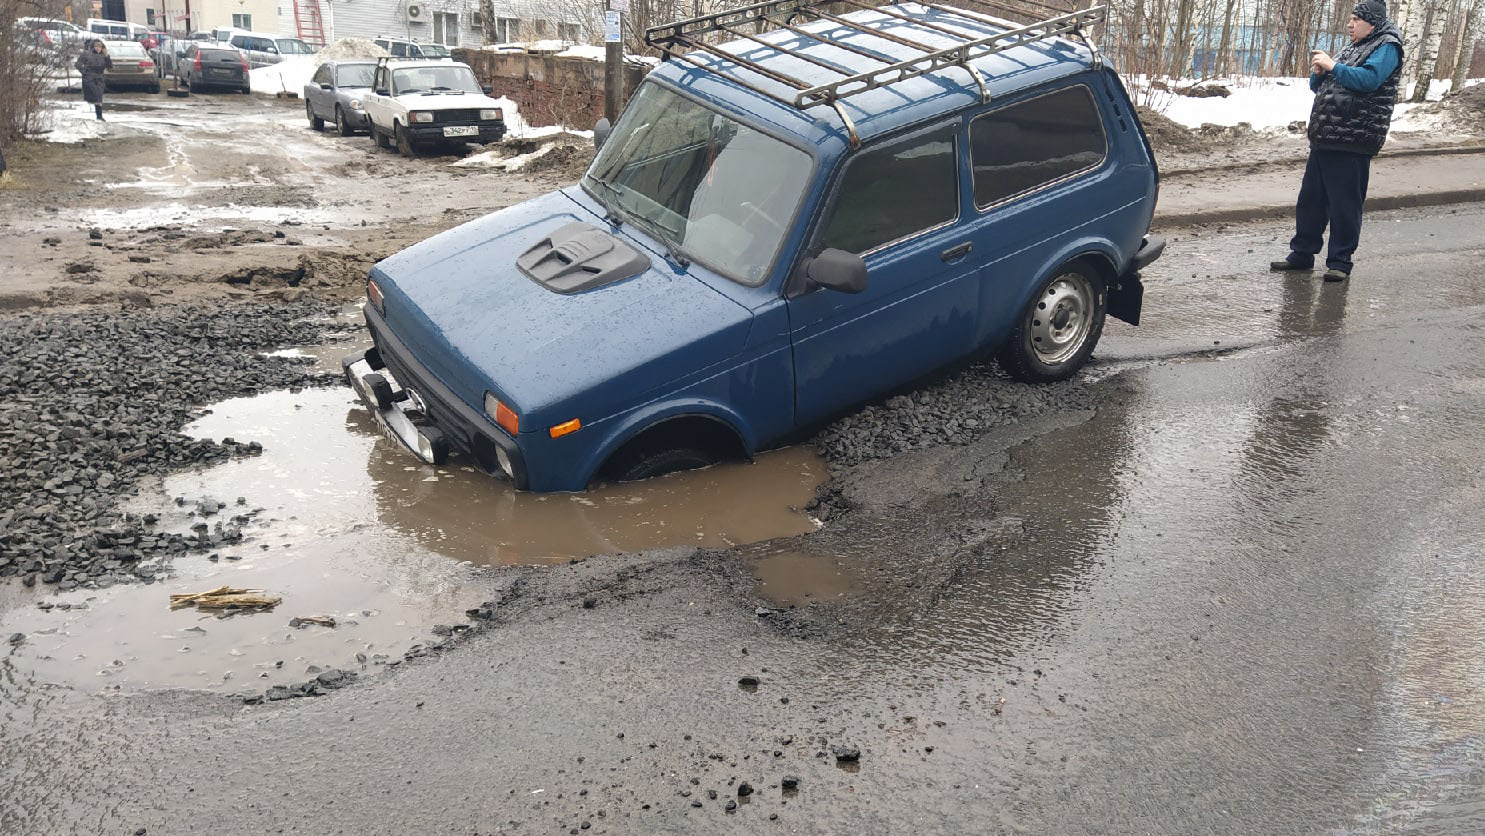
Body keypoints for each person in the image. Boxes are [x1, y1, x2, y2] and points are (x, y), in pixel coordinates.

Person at [1270, 0, 1404, 282]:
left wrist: (1333, 66)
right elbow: (1322, 85)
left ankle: (1340, 262)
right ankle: (1302, 254)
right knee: (1310, 201)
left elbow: (1369, 80)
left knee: (1344, 205)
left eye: (1356, 19)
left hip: (1353, 140)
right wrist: (1319, 73)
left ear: (1373, 23)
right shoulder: (1352, 46)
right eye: (1350, 19)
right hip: (1325, 137)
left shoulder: (1387, 46)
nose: (1349, 24)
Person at [75, 39, 113, 121]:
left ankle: (99, 116)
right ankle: (99, 116)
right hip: (90, 78)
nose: (98, 48)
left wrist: (107, 56)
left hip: (100, 79)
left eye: (100, 46)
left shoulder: (104, 56)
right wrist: (84, 72)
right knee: (95, 96)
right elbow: (78, 64)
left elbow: (110, 66)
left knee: (99, 97)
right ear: (93, 46)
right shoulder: (87, 55)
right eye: (96, 46)